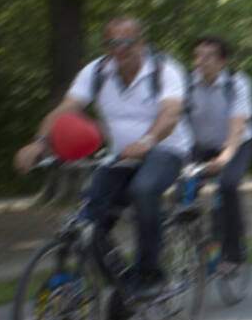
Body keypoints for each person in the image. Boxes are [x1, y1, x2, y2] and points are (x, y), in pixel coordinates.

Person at [13, 17, 193, 301]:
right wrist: (38, 143)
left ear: (142, 43)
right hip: (120, 156)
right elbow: (66, 109)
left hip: (166, 149)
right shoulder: (96, 72)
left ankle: (149, 274)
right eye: (113, 43)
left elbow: (170, 113)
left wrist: (147, 141)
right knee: (88, 219)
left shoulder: (164, 69)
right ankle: (124, 287)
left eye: (129, 42)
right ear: (106, 46)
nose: (121, 49)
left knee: (144, 190)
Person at [184, 36, 252, 276]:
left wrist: (225, 157)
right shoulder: (186, 84)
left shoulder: (237, 83)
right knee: (182, 189)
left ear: (223, 61)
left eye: (208, 56)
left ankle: (234, 254)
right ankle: (193, 246)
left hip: (236, 143)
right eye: (197, 56)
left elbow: (238, 123)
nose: (200, 62)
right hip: (201, 145)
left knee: (227, 185)